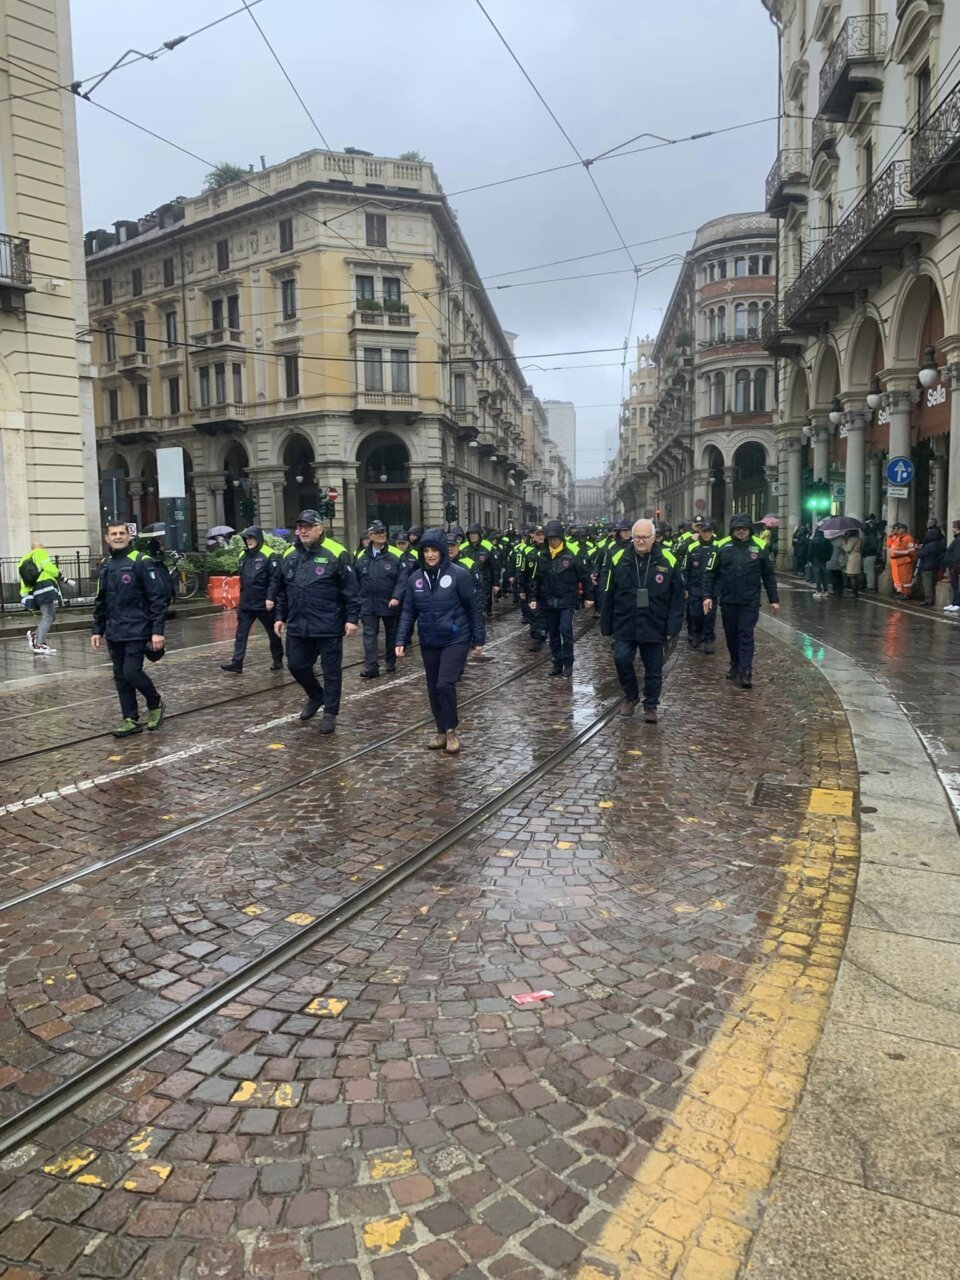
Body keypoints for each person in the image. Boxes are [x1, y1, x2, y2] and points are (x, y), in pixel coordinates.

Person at [395, 527, 485, 754]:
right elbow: (408, 611)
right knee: (432, 687)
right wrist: (401, 639)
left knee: (445, 684)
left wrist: (478, 638)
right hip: (429, 639)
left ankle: (451, 730)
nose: (430, 555)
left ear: (443, 552)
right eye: (426, 550)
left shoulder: (459, 574)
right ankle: (440, 730)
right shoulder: (416, 578)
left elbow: (473, 607)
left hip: (456, 638)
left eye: (435, 550)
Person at [273, 509, 360, 733]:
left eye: (308, 527)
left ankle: (330, 712)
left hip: (328, 623)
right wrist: (279, 616)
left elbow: (350, 589)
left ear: (319, 528)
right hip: (298, 623)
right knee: (296, 665)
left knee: (331, 671)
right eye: (300, 527)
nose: (303, 531)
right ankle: (316, 696)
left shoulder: (336, 552)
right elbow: (282, 590)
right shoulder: (289, 555)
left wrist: (352, 618)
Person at [600, 517, 683, 723]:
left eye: (645, 537)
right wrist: (606, 623)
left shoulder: (668, 559)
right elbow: (609, 592)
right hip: (625, 620)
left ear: (653, 538)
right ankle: (631, 696)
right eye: (637, 537)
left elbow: (677, 596)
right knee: (621, 659)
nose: (640, 541)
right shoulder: (619, 557)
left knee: (654, 667)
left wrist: (673, 626)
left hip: (655, 622)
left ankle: (651, 705)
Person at [91, 520, 167, 737]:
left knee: (131, 672)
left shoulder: (141, 561)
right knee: (120, 676)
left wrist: (157, 631)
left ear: (129, 536)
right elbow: (101, 600)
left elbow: (157, 599)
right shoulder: (105, 565)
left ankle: (155, 703)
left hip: (138, 628)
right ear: (107, 538)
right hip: (115, 630)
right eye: (113, 534)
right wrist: (97, 629)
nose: (118, 537)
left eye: (122, 533)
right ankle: (130, 719)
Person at [704, 513, 779, 690]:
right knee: (731, 636)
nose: (741, 532)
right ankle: (735, 664)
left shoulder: (760, 547)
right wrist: (708, 596)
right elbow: (710, 573)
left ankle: (746, 671)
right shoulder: (721, 546)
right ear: (733, 530)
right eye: (738, 529)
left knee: (746, 635)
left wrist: (773, 599)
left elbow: (768, 576)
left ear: (750, 530)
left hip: (750, 601)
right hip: (728, 600)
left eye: (744, 529)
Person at [526, 519, 594, 677]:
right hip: (548, 601)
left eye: (555, 538)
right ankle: (557, 662)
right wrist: (533, 598)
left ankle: (568, 662)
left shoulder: (572, 555)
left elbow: (585, 577)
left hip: (566, 600)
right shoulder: (542, 556)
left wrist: (589, 596)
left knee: (566, 630)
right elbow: (535, 579)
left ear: (561, 538)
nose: (553, 541)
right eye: (550, 538)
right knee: (553, 633)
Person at [221, 526, 284, 674]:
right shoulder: (243, 554)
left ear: (258, 538)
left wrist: (270, 598)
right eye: (246, 538)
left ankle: (278, 659)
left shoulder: (269, 554)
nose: (248, 541)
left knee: (272, 633)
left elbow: (275, 580)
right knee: (241, 634)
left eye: (251, 538)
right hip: (246, 603)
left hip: (264, 603)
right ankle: (237, 663)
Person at [355, 520, 407, 676]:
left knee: (391, 634)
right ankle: (371, 666)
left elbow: (402, 579)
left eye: (383, 532)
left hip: (389, 602)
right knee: (369, 634)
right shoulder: (360, 556)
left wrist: (396, 596)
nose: (381, 535)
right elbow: (355, 579)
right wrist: (357, 599)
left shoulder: (396, 554)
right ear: (370, 536)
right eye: (377, 533)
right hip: (368, 603)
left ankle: (390, 661)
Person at [19, 542, 69, 655]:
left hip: (35, 590)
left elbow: (24, 579)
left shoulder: (24, 559)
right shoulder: (40, 554)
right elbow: (49, 568)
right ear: (41, 547)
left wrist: (25, 593)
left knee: (51, 616)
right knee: (48, 616)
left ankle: (35, 636)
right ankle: (39, 643)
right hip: (44, 589)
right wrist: (58, 573)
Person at [683, 519, 717, 652]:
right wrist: (685, 587)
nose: (707, 534)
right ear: (700, 533)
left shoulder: (717, 547)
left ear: (712, 532)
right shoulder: (692, 547)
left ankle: (709, 639)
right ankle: (697, 633)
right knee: (696, 615)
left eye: (709, 531)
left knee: (709, 616)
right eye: (704, 532)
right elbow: (685, 568)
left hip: (711, 589)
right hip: (695, 587)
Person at [465, 523, 499, 617]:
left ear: (479, 534)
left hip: (484, 581)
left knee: (482, 604)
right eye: (471, 534)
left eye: (475, 534)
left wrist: (496, 583)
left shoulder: (488, 546)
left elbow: (494, 566)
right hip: (468, 581)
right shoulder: (463, 547)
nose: (473, 536)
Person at [916, 517, 945, 607]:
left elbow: (922, 553)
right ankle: (929, 598)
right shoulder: (937, 542)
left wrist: (917, 551)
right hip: (932, 565)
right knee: (930, 583)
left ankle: (928, 600)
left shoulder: (931, 545)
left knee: (927, 584)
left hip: (928, 565)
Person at [886, 523, 917, 598]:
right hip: (898, 561)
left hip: (905, 561)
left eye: (898, 529)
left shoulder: (908, 538)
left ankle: (906, 593)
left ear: (903, 529)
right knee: (900, 578)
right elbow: (890, 545)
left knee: (906, 578)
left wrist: (912, 559)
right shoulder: (899, 537)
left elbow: (912, 551)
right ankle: (901, 592)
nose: (896, 530)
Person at [810, 527, 832, 599]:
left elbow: (810, 551)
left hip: (815, 559)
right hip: (824, 559)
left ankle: (818, 590)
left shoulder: (813, 541)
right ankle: (826, 590)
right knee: (824, 574)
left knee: (817, 575)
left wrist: (810, 560)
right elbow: (830, 550)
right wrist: (828, 557)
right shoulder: (827, 541)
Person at [944, 520, 960, 612]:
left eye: (953, 527)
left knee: (957, 585)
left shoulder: (958, 540)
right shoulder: (956, 539)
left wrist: (956, 565)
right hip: (952, 565)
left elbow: (957, 554)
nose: (952, 529)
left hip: (955, 566)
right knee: (954, 585)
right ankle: (954, 602)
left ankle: (957, 603)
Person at [861, 517, 880, 591]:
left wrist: (865, 550)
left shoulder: (871, 535)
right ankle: (869, 585)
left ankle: (870, 586)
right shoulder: (869, 535)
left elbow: (873, 546)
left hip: (870, 554)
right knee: (867, 571)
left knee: (869, 571)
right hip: (867, 554)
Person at [842, 529, 862, 599]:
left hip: (852, 558)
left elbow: (847, 549)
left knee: (852, 576)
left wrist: (843, 543)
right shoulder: (859, 539)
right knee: (855, 576)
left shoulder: (852, 539)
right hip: (858, 556)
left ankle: (854, 593)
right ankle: (856, 592)